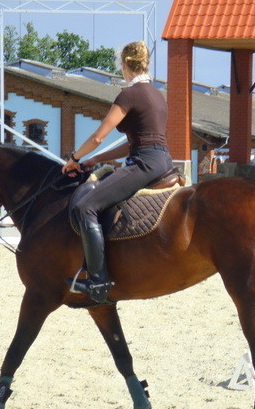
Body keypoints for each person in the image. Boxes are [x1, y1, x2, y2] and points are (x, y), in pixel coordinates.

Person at [61, 40, 173, 303]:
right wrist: (97, 159)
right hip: (163, 159)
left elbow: (99, 136)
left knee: (85, 206)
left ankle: (98, 280)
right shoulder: (157, 94)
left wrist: (75, 158)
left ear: (124, 66)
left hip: (144, 164)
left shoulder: (128, 95)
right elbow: (137, 141)